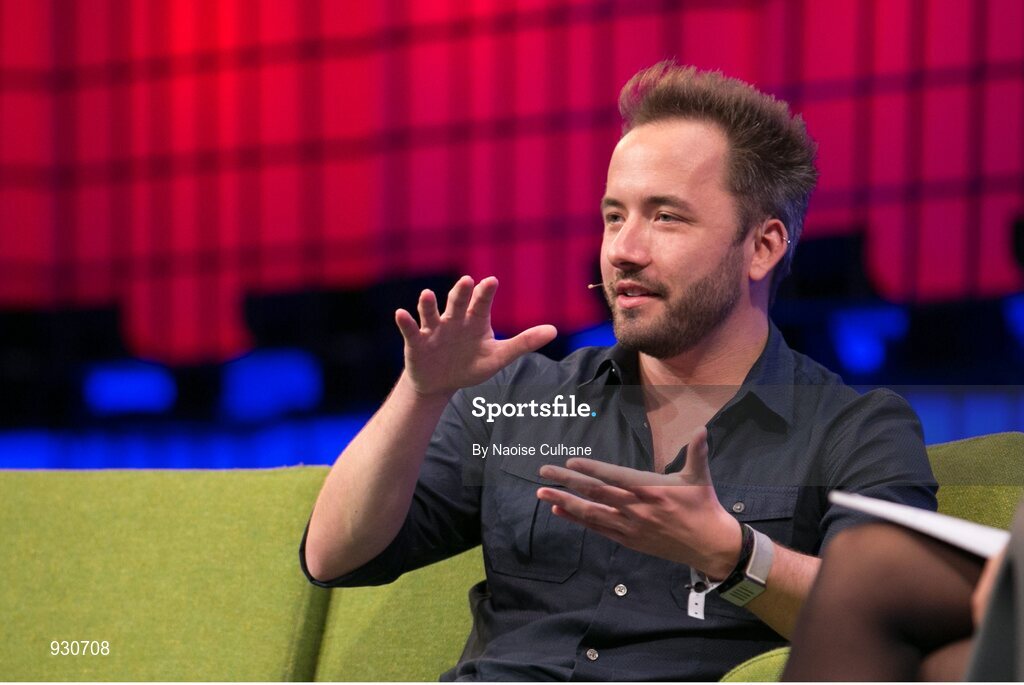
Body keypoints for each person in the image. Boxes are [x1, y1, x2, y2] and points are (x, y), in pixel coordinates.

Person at [300, 61, 937, 680]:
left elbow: (891, 621)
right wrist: (421, 391)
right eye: (614, 216)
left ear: (762, 246)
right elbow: (333, 555)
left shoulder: (852, 430)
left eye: (666, 217)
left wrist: (734, 555)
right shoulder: (523, 397)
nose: (624, 251)